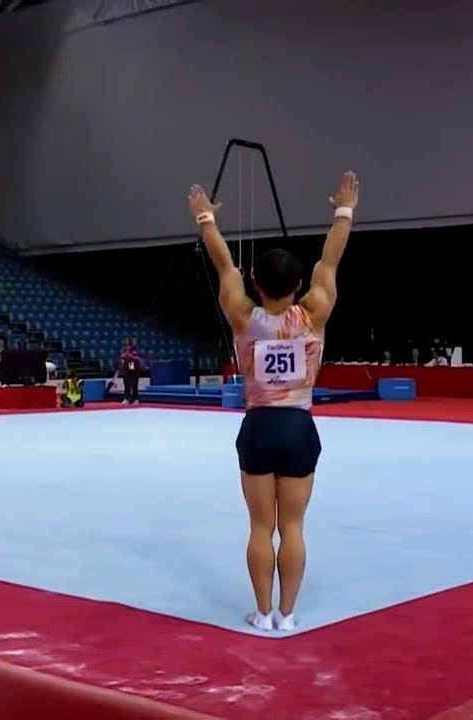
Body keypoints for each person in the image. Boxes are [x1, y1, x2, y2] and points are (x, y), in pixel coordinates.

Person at [187, 170, 358, 632]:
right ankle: (287, 614)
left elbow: (224, 267)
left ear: (255, 283)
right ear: (298, 283)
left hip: (259, 427)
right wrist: (344, 210)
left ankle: (262, 613)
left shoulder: (244, 317)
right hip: (298, 426)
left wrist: (205, 218)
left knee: (261, 527)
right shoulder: (314, 312)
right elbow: (330, 261)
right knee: (293, 527)